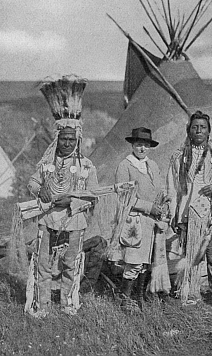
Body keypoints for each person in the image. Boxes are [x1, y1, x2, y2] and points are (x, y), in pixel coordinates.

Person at [24, 75, 98, 317]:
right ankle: (43, 304)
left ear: (77, 141)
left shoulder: (87, 166)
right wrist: (39, 190)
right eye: (63, 139)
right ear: (57, 139)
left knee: (70, 264)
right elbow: (32, 183)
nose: (67, 143)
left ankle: (68, 303)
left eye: (71, 139)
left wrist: (72, 201)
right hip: (47, 221)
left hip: (74, 222)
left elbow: (93, 195)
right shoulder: (46, 164)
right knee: (44, 264)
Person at [166, 110, 212, 306]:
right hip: (188, 214)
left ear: (208, 131)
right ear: (188, 131)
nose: (198, 131)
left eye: (202, 127)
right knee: (192, 255)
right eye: (194, 127)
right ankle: (190, 294)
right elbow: (171, 187)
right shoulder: (178, 156)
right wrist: (173, 214)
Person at [114, 127, 170, 310]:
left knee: (145, 262)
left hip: (151, 221)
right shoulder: (125, 165)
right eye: (139, 144)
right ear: (132, 145)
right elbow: (124, 196)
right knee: (134, 261)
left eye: (145, 145)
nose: (142, 148)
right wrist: (149, 207)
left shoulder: (152, 165)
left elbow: (159, 188)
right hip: (134, 220)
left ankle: (140, 296)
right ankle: (125, 298)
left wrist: (164, 201)